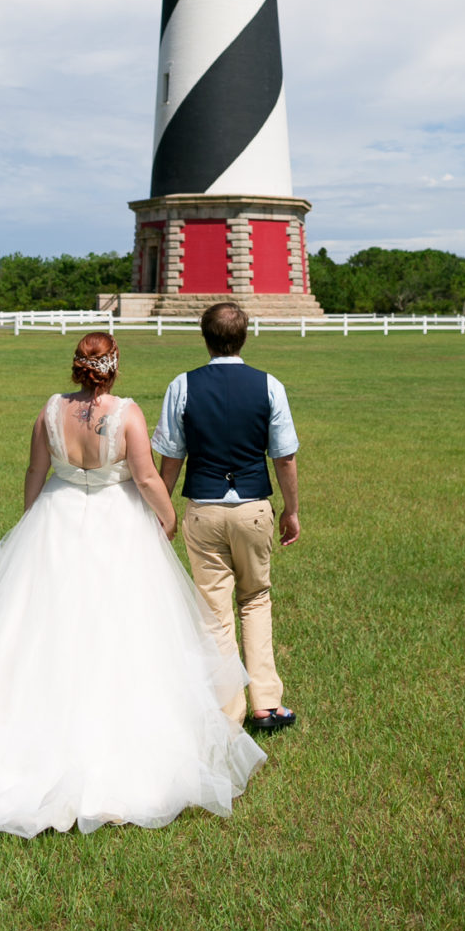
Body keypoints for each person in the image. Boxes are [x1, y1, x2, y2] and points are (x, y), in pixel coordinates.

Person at [0, 332, 265, 836]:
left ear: (76, 367)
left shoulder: (50, 410)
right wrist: (167, 516)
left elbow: (36, 469)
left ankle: (19, 742)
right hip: (118, 525)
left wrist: (30, 519)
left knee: (42, 628)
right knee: (121, 630)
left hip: (57, 517)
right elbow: (147, 476)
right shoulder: (127, 413)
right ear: (113, 368)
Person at [154, 301, 300, 734]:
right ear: (245, 336)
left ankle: (227, 708)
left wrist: (163, 510)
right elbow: (284, 457)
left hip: (203, 505)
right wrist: (291, 510)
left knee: (214, 612)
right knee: (255, 599)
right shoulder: (269, 385)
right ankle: (267, 704)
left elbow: (171, 456)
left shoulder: (182, 385)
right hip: (254, 506)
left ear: (205, 337)